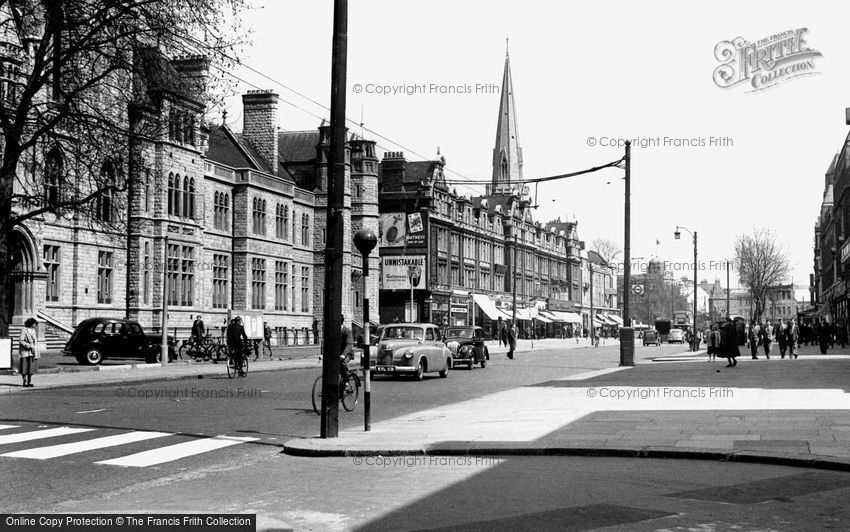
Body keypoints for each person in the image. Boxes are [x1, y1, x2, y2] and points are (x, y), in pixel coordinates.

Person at [18, 317, 39, 387]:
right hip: (25, 351)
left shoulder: (33, 331)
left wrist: (35, 348)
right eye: (34, 323)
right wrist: (28, 345)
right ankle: (24, 381)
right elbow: (21, 340)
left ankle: (29, 381)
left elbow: (35, 341)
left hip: (32, 352)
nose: (35, 325)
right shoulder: (24, 330)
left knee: (31, 367)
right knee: (24, 367)